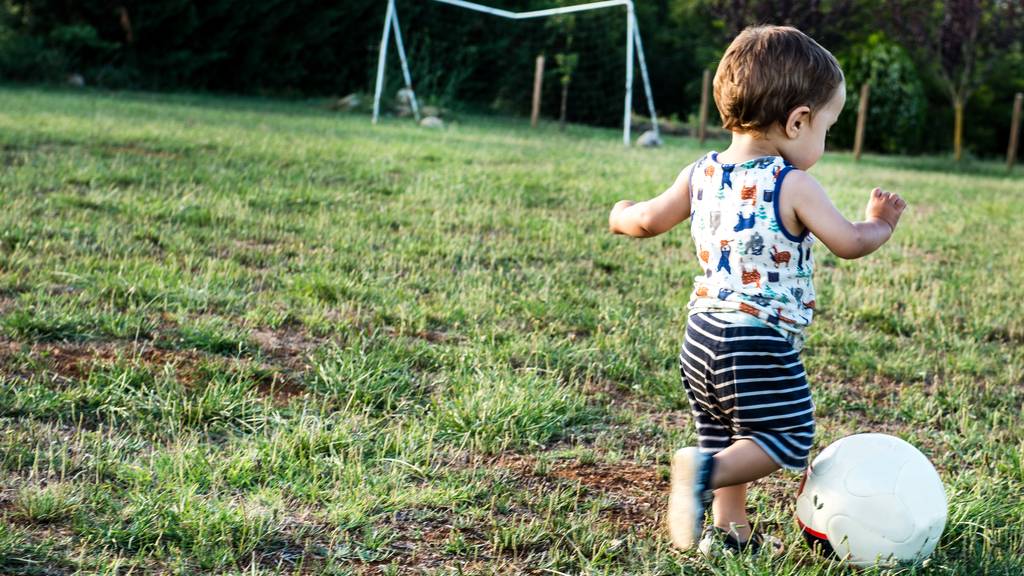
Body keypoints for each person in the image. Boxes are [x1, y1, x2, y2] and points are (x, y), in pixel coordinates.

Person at [607, 25, 907, 557]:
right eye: (827, 128)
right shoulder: (791, 183)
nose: (825, 142)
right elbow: (848, 242)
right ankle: (704, 474)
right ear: (797, 121)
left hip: (700, 336)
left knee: (727, 430)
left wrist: (621, 214)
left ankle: (729, 532)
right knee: (784, 437)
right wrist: (879, 223)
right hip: (757, 339)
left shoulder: (700, 172)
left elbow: (649, 220)